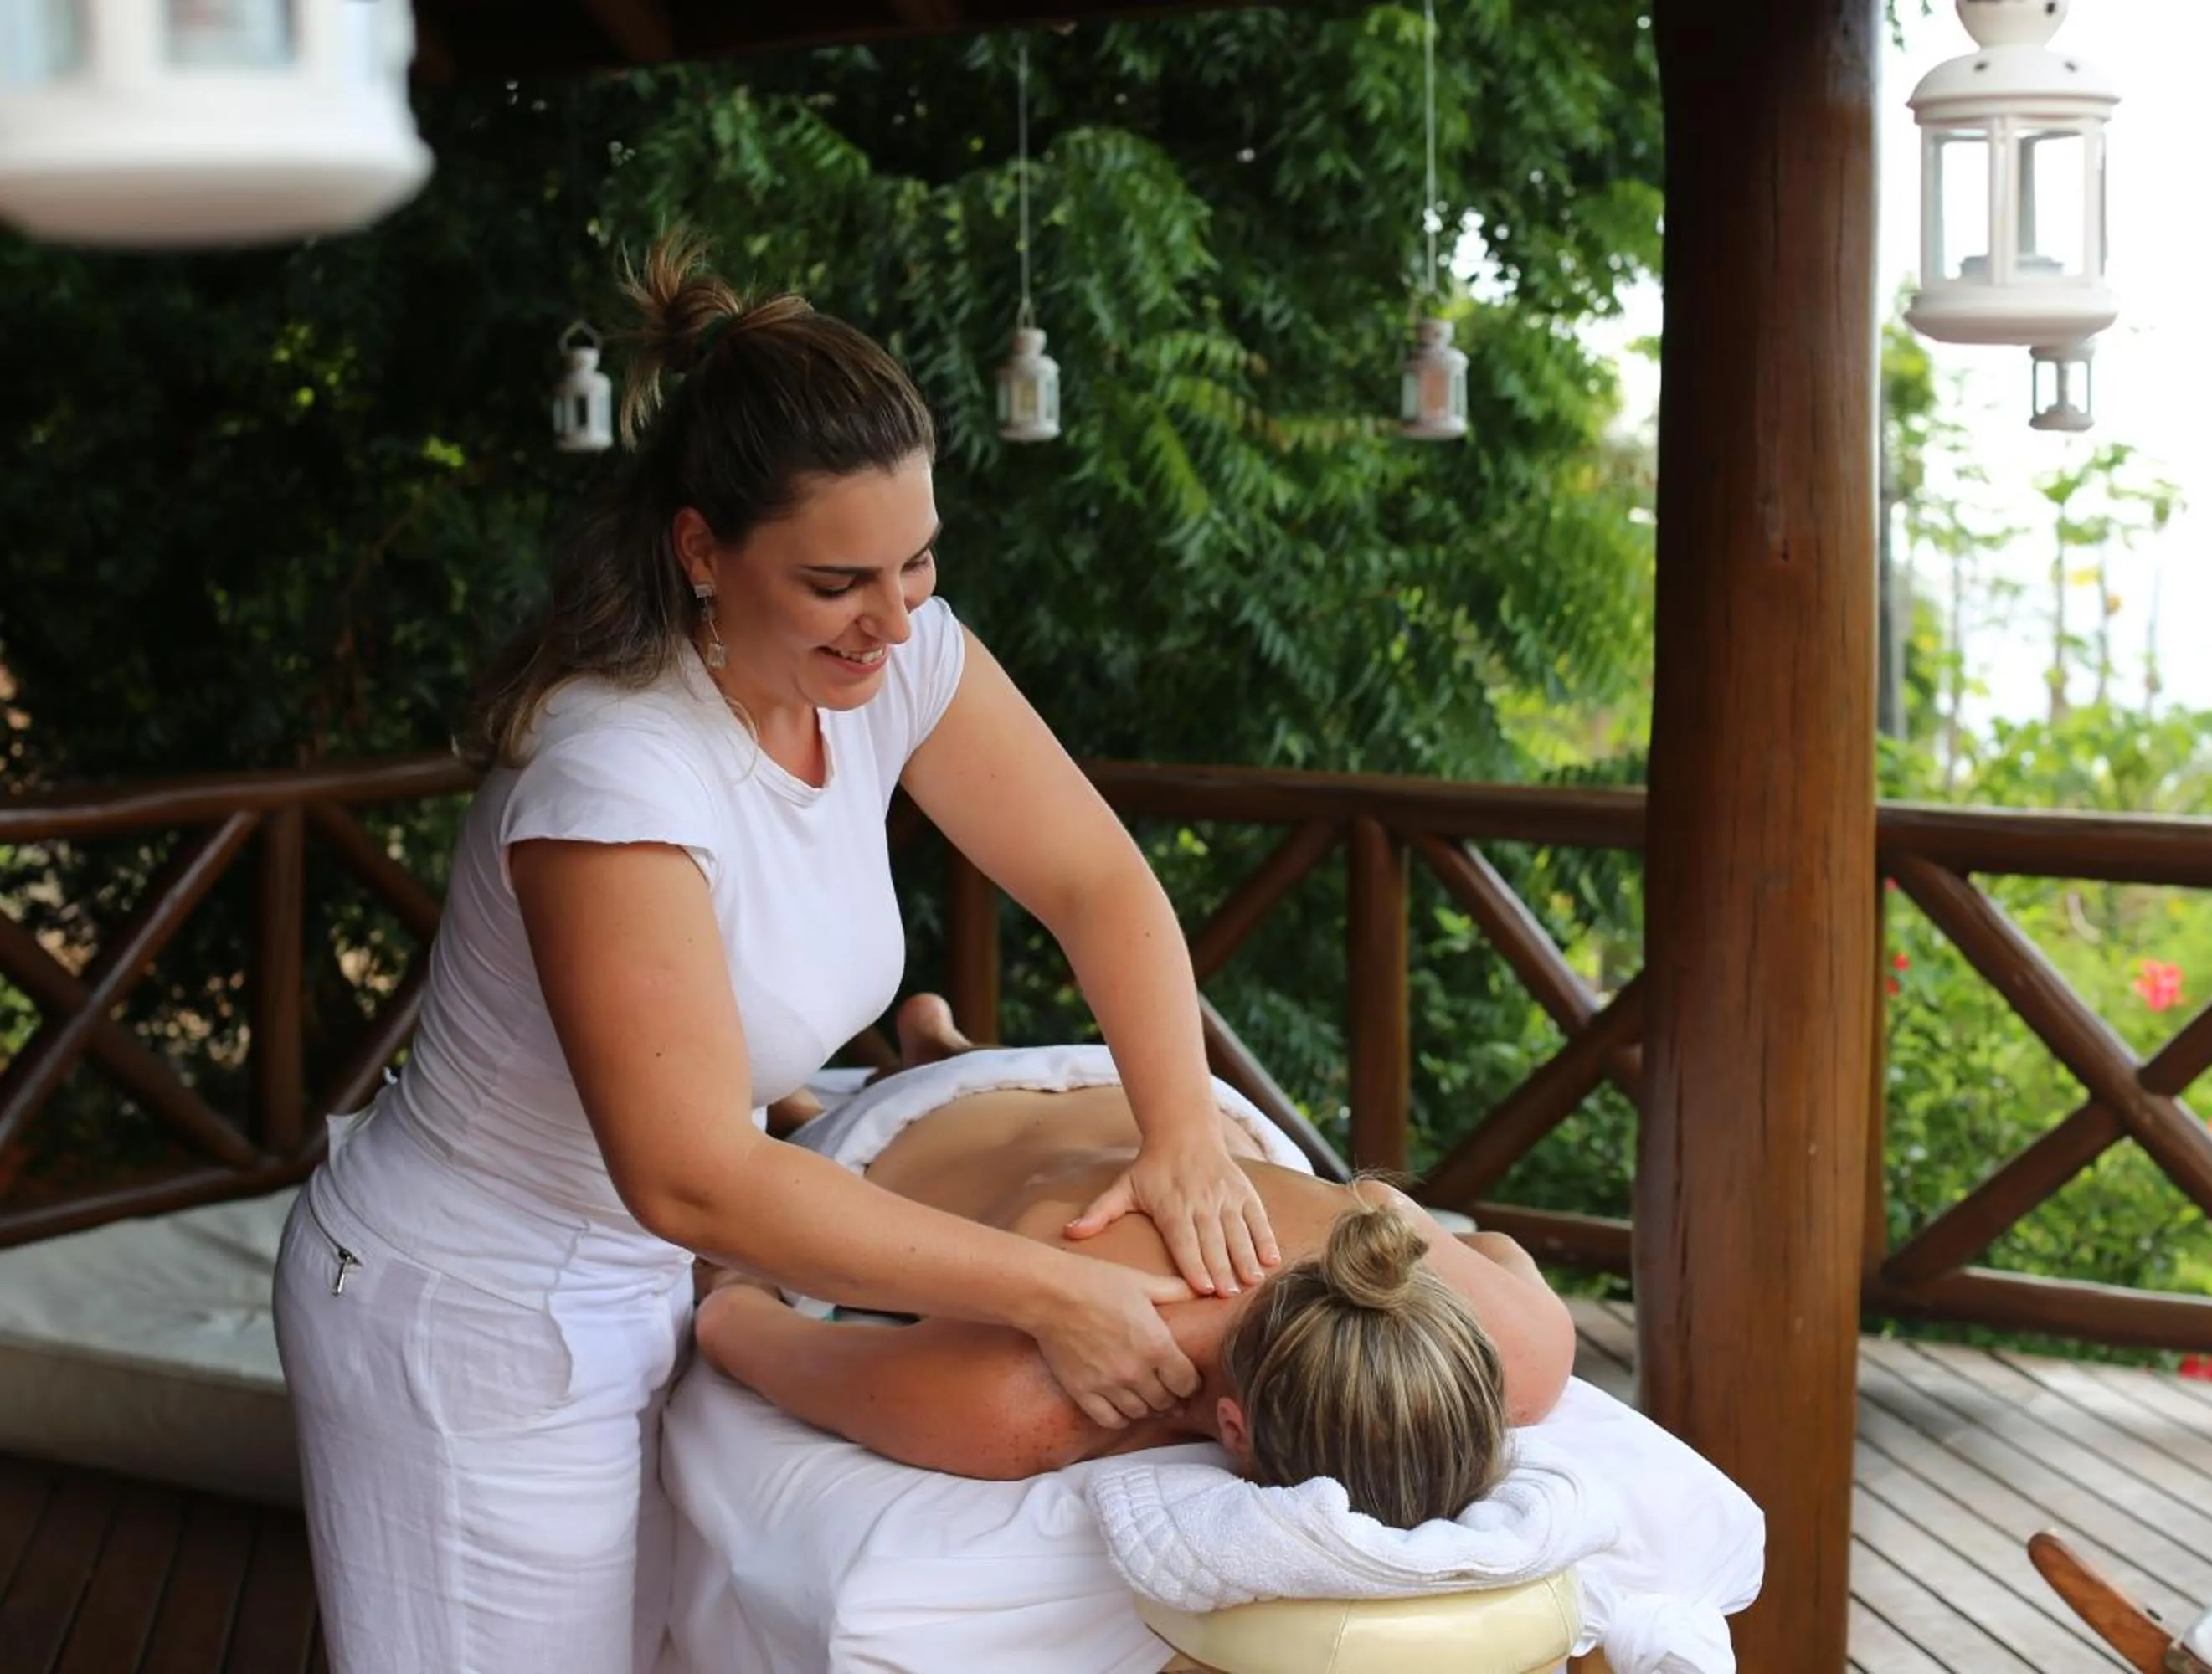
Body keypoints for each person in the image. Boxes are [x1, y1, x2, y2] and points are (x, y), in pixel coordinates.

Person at [270, 236, 1278, 1674]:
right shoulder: (615, 771)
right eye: (837, 580)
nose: (895, 615)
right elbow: (688, 1171)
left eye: (919, 559)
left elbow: (1095, 877)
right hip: (475, 1310)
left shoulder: (897, 659)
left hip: (659, 1276)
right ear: (702, 552)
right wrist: (1054, 1291)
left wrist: (1181, 1135)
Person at [694, 996, 1580, 1528]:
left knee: (1018, 1141)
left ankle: (937, 1048)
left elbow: (1474, 1241)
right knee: (821, 1134)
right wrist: (738, 1256)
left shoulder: (1523, 1353)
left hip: (1170, 1101)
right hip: (914, 1133)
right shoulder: (1021, 1398)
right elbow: (737, 1320)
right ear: (1235, 1430)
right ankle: (863, 1087)